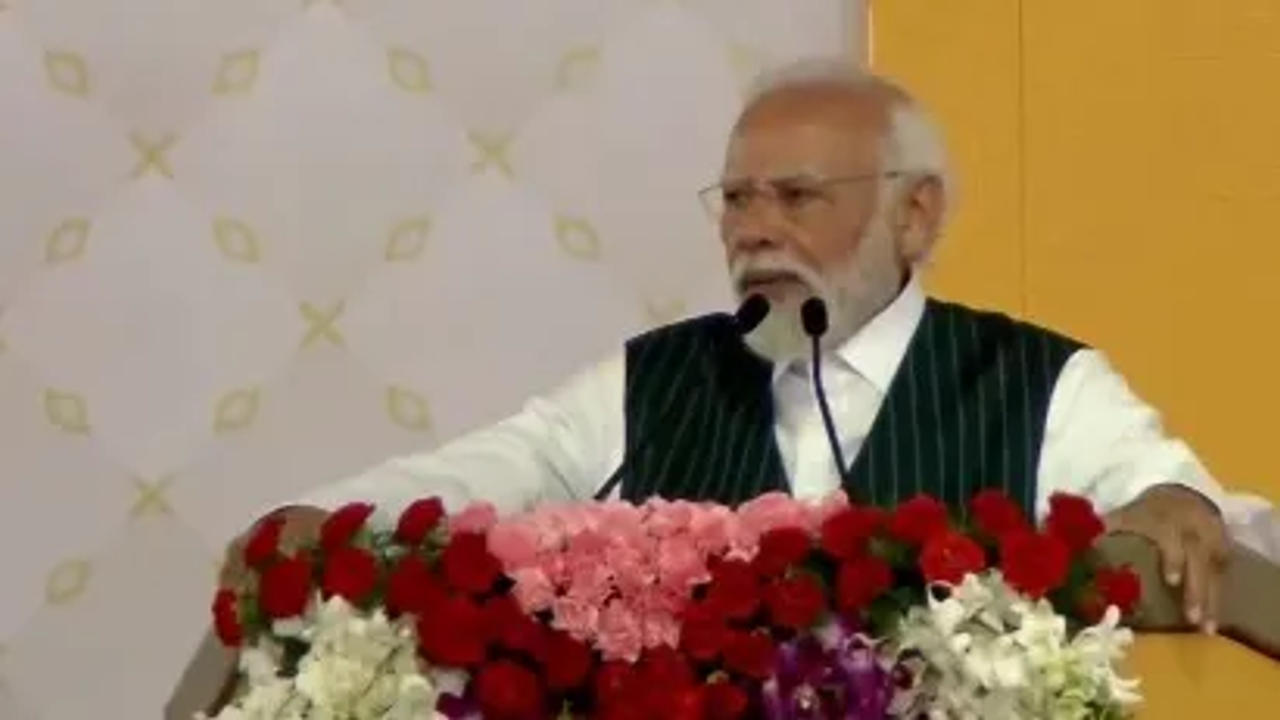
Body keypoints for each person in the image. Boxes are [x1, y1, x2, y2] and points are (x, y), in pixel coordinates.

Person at [221, 58, 1228, 634]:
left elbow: (1171, 500)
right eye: (736, 199)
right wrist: (335, 520)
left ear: (913, 217)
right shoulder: (653, 381)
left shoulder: (1037, 382)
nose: (752, 228)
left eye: (794, 197)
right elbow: (495, 470)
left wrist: (1176, 503)